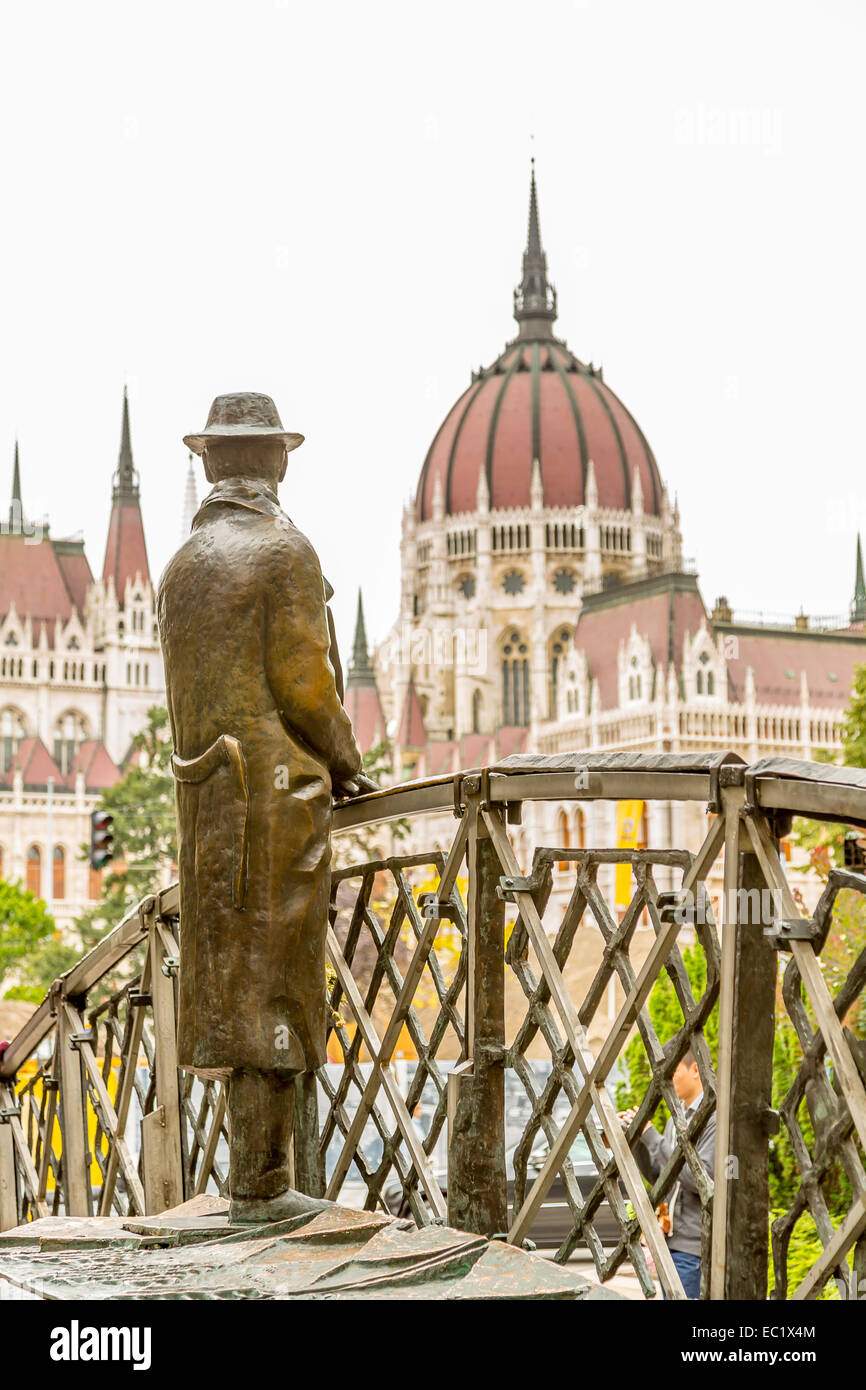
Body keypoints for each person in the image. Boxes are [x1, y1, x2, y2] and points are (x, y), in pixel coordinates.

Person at [158, 391, 363, 1223]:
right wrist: (348, 758)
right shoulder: (283, 551)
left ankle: (251, 1178)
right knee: (277, 981)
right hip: (277, 800)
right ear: (277, 462)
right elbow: (306, 686)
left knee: (227, 984)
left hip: (209, 801)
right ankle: (264, 1184)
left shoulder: (182, 567)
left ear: (210, 464)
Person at [620, 1042, 715, 1300]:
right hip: (670, 1244)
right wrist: (638, 1140)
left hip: (693, 1248)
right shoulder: (679, 1118)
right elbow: (663, 1178)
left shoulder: (713, 1120)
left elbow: (699, 1180)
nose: (668, 1080)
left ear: (695, 1069)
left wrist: (652, 1137)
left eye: (674, 1071)